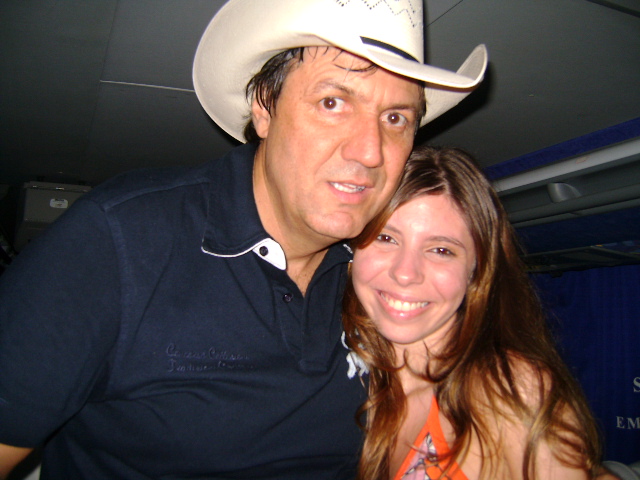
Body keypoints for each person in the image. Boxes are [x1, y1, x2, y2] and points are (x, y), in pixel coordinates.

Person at [0, 1, 487, 479]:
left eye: (396, 118)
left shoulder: (385, 272)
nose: (370, 151)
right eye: (333, 102)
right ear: (264, 109)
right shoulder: (117, 240)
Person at [343, 146, 615, 480]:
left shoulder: (510, 388)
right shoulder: (346, 377)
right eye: (386, 238)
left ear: (476, 270)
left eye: (441, 250)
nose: (405, 273)